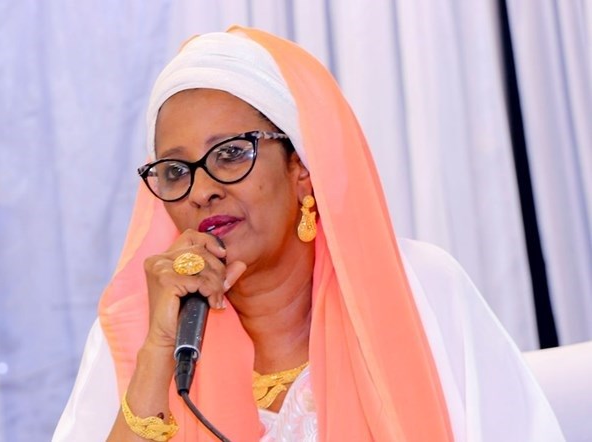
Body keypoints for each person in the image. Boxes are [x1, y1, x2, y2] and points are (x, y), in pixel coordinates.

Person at [53, 26, 564, 441]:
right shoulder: (142, 330)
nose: (201, 190)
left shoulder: (420, 289)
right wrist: (160, 350)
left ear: (300, 166)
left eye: (231, 153)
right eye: (175, 170)